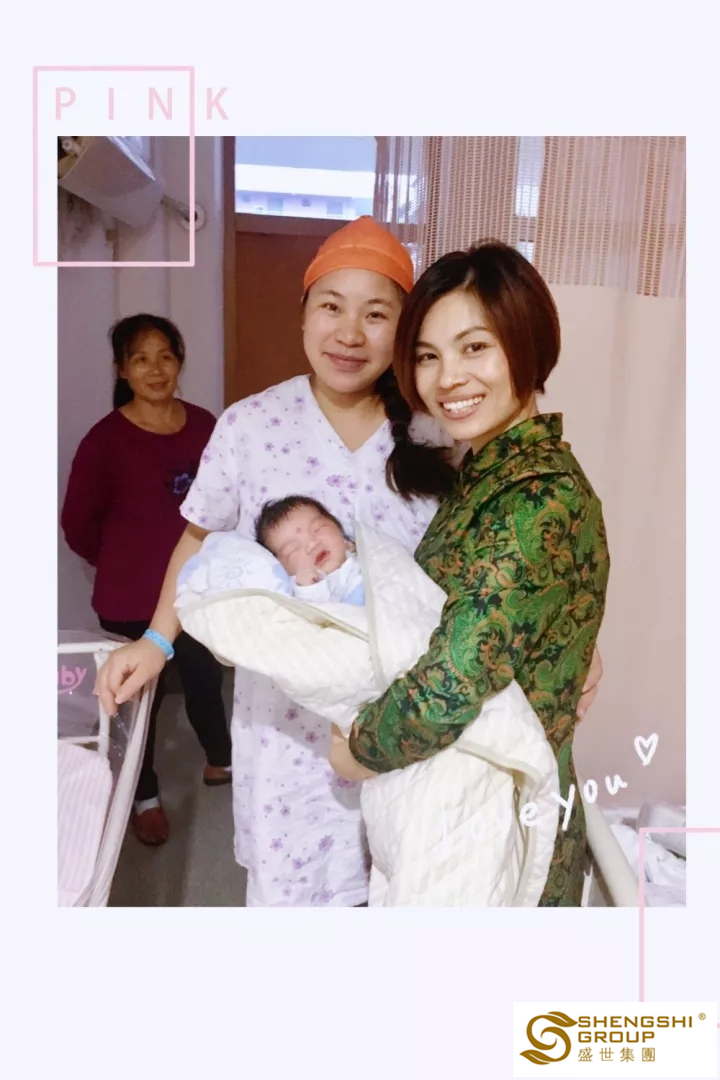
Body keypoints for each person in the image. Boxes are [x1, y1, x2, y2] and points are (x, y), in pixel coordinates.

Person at [94, 218, 603, 906]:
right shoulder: (250, 427)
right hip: (286, 733)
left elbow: (501, 566)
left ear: (401, 331)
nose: (350, 333)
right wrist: (157, 642)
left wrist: (571, 632)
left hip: (412, 741)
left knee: (399, 894)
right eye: (332, 307)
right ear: (304, 313)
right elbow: (198, 541)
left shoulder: (440, 433)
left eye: (378, 314)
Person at [329, 240, 610, 906]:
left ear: (527, 344)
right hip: (467, 803)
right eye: (428, 356)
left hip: (500, 827)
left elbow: (446, 690)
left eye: (474, 347)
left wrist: (355, 751)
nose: (447, 378)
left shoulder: (536, 496)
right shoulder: (492, 472)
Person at [61, 314, 232, 846]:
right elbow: (77, 525)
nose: (156, 369)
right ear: (122, 369)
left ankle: (221, 759)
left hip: (196, 592)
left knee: (205, 680)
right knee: (139, 704)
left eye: (165, 357)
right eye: (141, 359)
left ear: (179, 363)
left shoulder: (204, 425)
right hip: (129, 599)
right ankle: (145, 796)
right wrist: (121, 561)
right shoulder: (104, 441)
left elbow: (226, 499)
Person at [255, 496, 365, 604]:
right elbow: (315, 612)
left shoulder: (362, 546)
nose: (312, 544)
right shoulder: (306, 592)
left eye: (318, 529)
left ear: (338, 527)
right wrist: (307, 589)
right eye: (294, 549)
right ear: (284, 571)